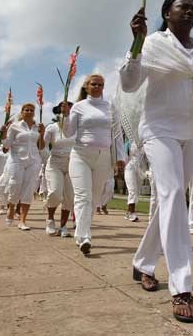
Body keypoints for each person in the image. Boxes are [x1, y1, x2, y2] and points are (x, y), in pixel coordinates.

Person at [119, 0, 193, 323]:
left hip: (191, 132)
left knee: (173, 199)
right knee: (172, 193)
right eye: (183, 7)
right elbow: (129, 83)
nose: (190, 12)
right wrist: (136, 45)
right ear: (167, 13)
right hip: (158, 129)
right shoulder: (153, 43)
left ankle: (143, 263)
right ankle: (181, 287)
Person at [62, 74, 125, 255]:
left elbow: (117, 134)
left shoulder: (110, 107)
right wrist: (65, 117)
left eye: (100, 84)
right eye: (94, 84)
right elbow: (68, 133)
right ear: (86, 87)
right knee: (83, 196)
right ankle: (84, 236)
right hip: (80, 155)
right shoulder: (79, 107)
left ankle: (81, 231)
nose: (97, 87)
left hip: (103, 157)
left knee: (94, 198)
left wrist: (120, 157)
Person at [0, 103, 45, 230]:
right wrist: (4, 134)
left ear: (34, 113)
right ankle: (11, 208)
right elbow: (7, 145)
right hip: (17, 160)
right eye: (27, 110)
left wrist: (42, 133)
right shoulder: (15, 126)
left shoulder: (37, 127)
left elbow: (41, 146)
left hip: (33, 160)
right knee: (14, 185)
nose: (29, 112)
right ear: (22, 112)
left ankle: (23, 220)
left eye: (31, 110)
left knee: (29, 189)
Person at [44, 102, 76, 237]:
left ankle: (63, 226)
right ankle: (50, 220)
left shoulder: (77, 129)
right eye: (62, 105)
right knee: (55, 193)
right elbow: (43, 146)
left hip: (72, 164)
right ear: (58, 110)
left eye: (69, 105)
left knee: (69, 197)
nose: (66, 107)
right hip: (55, 163)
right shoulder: (51, 128)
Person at [123, 141, 141, 222]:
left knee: (137, 192)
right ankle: (131, 212)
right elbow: (124, 156)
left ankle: (128, 212)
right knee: (132, 190)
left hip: (140, 169)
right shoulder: (129, 143)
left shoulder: (146, 142)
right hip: (129, 167)